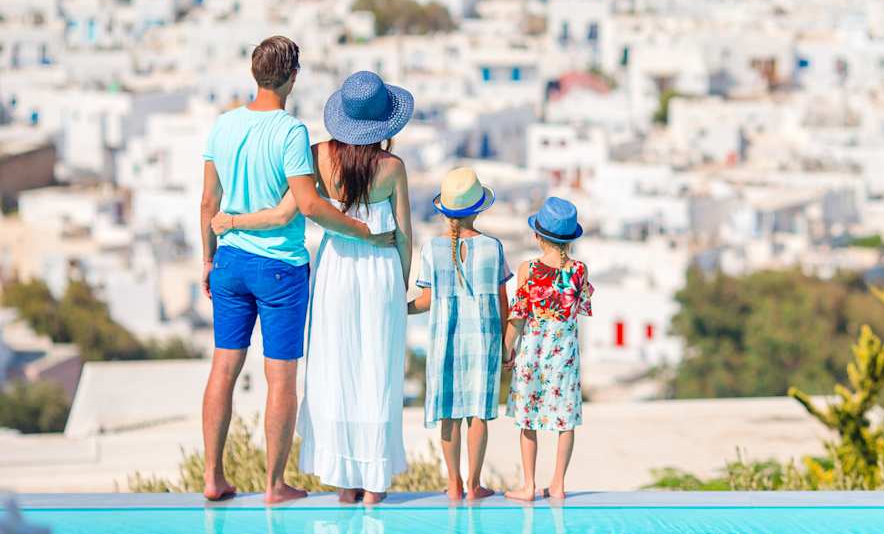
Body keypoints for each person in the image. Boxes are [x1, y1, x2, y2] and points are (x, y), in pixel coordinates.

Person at [199, 37, 395, 504]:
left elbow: (208, 201)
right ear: (293, 76)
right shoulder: (289, 132)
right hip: (280, 269)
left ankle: (212, 477)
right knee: (280, 377)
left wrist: (207, 258)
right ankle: (274, 485)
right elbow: (305, 206)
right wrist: (361, 231)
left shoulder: (222, 126)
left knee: (223, 368)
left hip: (228, 259)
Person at [408, 167, 512, 501]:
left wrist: (399, 308)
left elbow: (424, 301)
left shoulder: (431, 249)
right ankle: (474, 483)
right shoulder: (493, 247)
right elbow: (502, 301)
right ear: (479, 208)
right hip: (483, 340)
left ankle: (453, 483)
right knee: (478, 414)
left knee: (449, 414)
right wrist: (509, 343)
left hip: (444, 340)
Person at [503, 197, 593, 502]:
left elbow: (517, 317)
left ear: (537, 236)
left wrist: (506, 351)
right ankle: (557, 484)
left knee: (528, 420)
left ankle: (528, 485)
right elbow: (580, 308)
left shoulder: (527, 269)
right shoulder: (580, 270)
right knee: (564, 420)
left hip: (533, 353)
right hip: (565, 355)